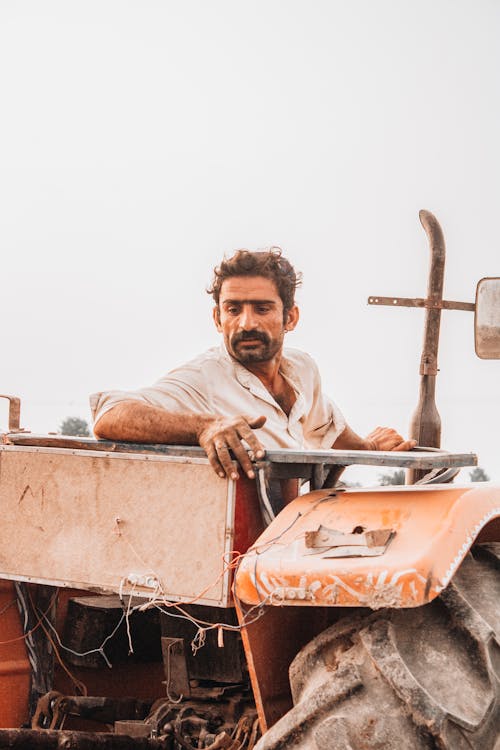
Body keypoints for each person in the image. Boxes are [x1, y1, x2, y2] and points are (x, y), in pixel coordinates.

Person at [91, 248, 415, 482]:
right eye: (233, 310)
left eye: (261, 309)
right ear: (218, 319)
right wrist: (204, 427)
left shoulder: (302, 369)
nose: (246, 323)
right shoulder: (204, 378)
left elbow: (324, 425)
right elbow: (110, 415)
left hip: (295, 537)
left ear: (290, 317)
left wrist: (369, 446)